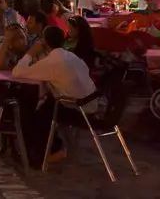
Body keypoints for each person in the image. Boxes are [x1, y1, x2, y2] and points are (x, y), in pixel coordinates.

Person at [14, 26, 98, 164]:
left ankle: (49, 152)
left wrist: (30, 52)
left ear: (44, 43)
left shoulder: (52, 62)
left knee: (34, 115)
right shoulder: (71, 56)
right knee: (47, 105)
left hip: (77, 109)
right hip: (91, 104)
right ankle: (52, 147)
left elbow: (17, 72)